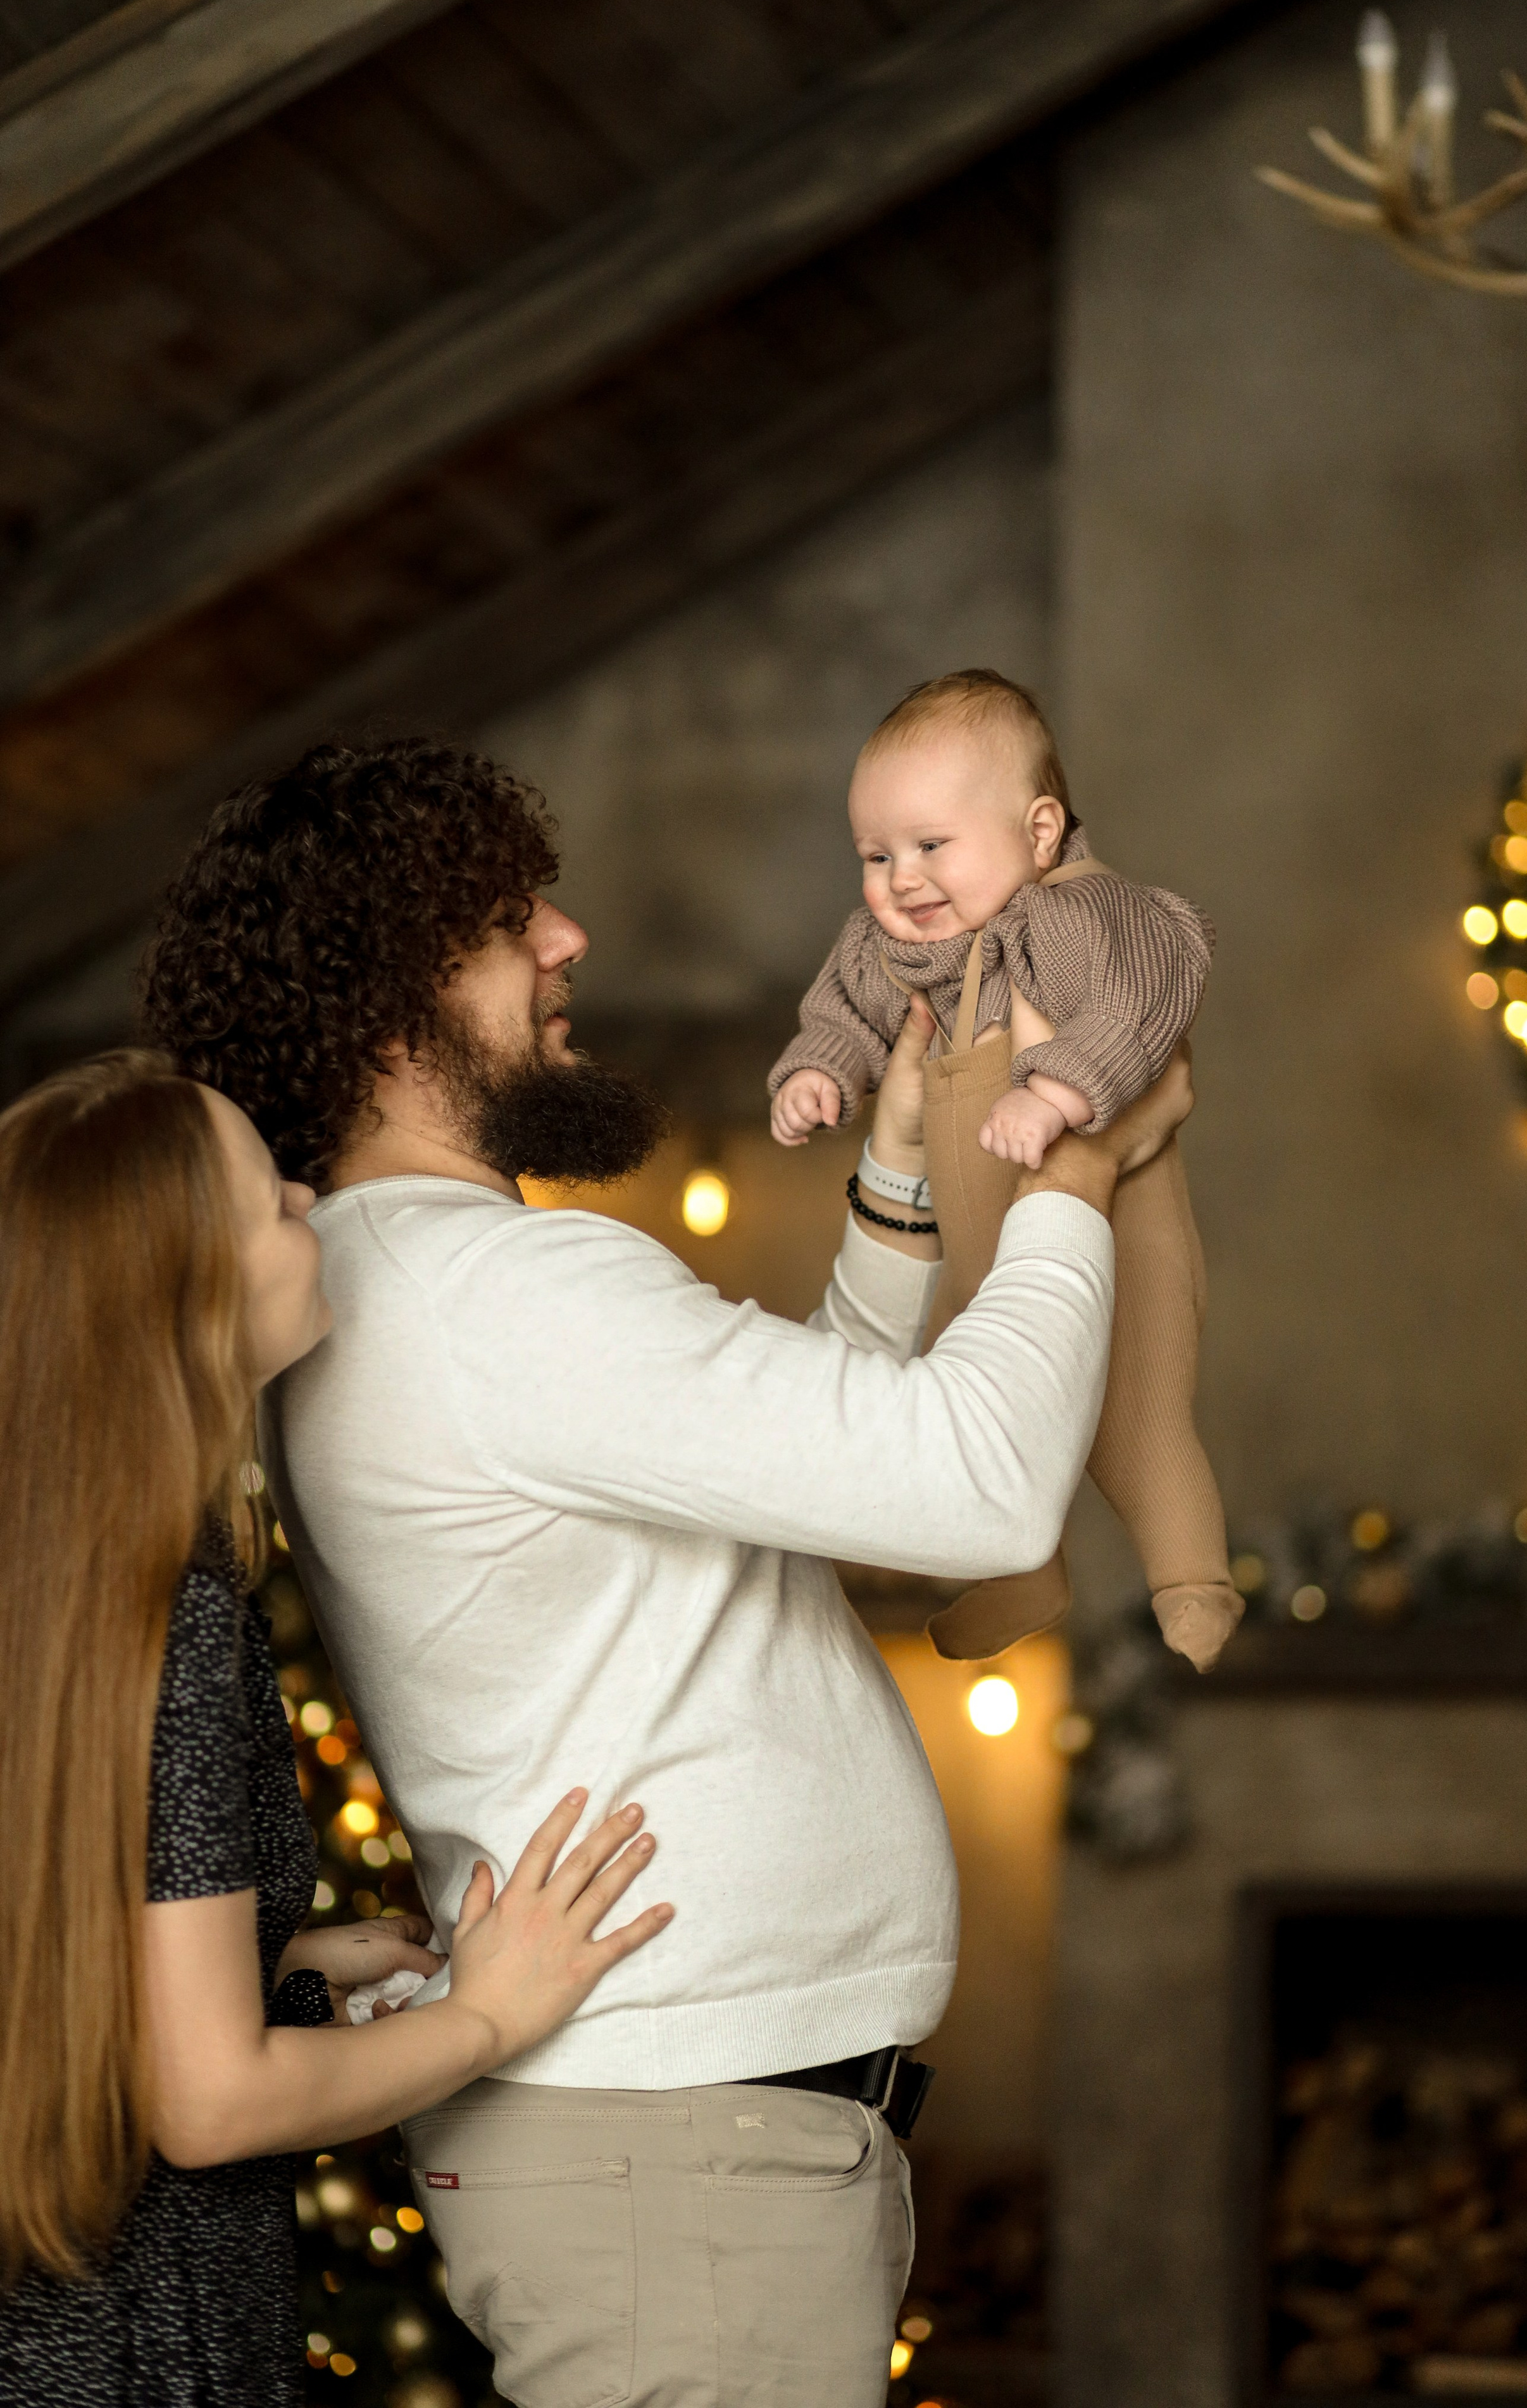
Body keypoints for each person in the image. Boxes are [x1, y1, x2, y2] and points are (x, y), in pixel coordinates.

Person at [139, 736, 1192, 2408]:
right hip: (674, 2160)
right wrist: (1075, 1173)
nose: (567, 941)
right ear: (391, 1015)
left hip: (677, 2144)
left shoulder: (414, 1279)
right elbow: (979, 1488)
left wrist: (896, 1184)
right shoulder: (502, 1298)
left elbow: (811, 1478)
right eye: (509, 923)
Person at [0, 1049, 671, 2405]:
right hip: (135, 2346)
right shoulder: (164, 1615)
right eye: (272, 1200)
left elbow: (56, 1947)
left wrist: (272, 1961)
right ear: (190, 1293)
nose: (310, 1200)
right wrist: (486, 2017)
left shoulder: (51, 1580)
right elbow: (209, 2104)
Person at [768, 668, 1242, 1670]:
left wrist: (1059, 1092)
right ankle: (1020, 1573)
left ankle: (1192, 1583)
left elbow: (1148, 989)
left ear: (1038, 833)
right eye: (876, 855)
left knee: (1136, 1418)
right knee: (975, 1406)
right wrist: (820, 1069)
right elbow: (844, 1010)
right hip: (980, 1241)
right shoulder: (895, 948)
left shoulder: (1071, 917)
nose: (901, 879)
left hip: (1118, 1233)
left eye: (931, 846)